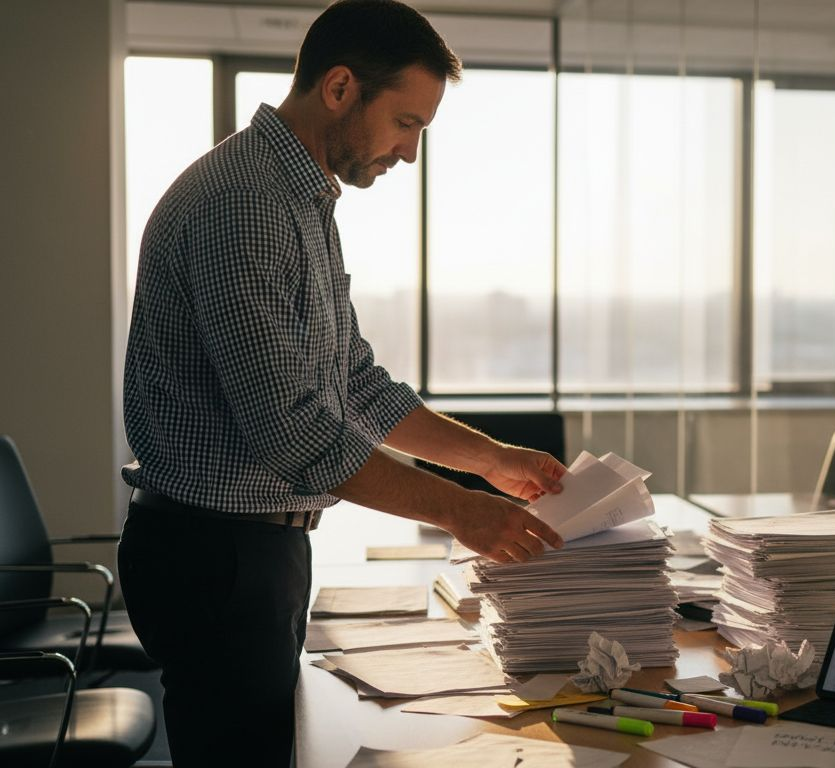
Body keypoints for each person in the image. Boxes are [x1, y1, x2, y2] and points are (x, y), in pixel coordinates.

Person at [117, 2, 563, 765]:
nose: (410, 152)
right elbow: (296, 428)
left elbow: (352, 381)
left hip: (250, 551)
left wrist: (489, 459)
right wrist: (464, 512)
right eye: (406, 122)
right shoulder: (246, 203)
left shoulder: (298, 196)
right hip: (216, 557)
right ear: (339, 88)